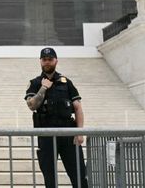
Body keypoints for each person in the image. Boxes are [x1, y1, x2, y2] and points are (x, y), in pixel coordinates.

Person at [25, 48, 88, 188]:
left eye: (50, 59)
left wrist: (79, 132)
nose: (47, 62)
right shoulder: (35, 83)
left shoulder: (66, 83)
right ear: (40, 61)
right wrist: (43, 88)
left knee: (79, 176)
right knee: (50, 180)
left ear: (56, 61)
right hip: (46, 135)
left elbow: (77, 107)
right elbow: (31, 105)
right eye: (44, 59)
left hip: (68, 134)